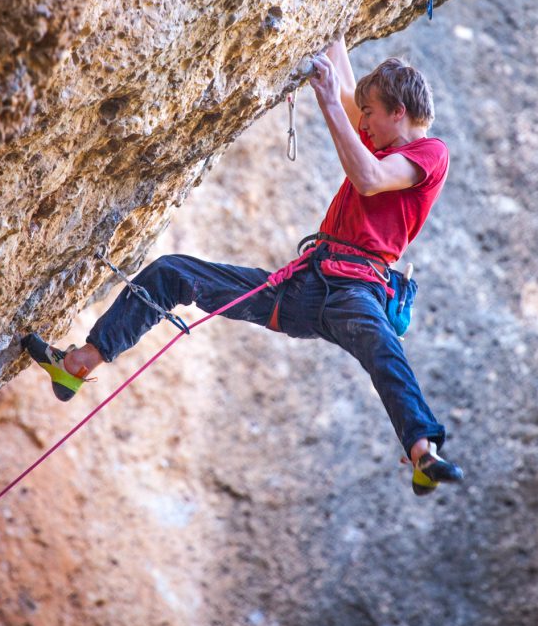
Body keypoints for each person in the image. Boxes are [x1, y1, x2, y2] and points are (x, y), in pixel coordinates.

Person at [23, 38, 463, 496]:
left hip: (357, 291)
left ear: (398, 112)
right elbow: (349, 93)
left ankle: (422, 451)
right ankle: (79, 363)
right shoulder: (379, 139)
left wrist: (329, 99)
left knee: (382, 350)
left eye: (371, 113)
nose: (363, 122)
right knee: (173, 273)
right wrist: (334, 36)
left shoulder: (430, 153)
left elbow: (367, 179)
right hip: (301, 290)